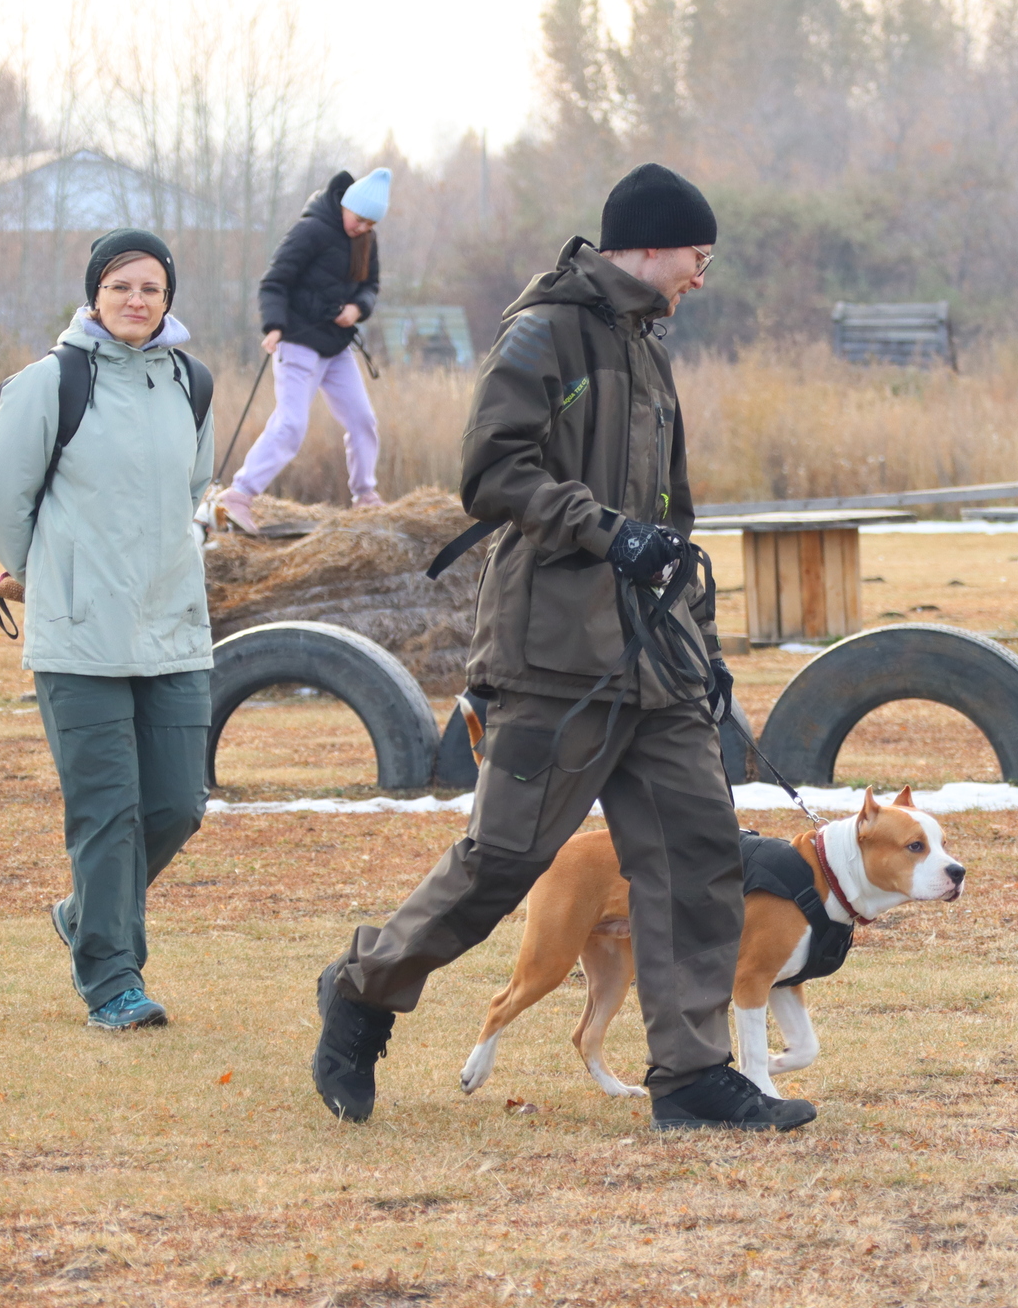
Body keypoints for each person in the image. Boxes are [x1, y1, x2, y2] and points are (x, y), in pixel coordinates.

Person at [308, 165, 819, 1131]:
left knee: (698, 855)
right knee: (502, 861)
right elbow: (491, 471)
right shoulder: (546, 331)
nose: (700, 278)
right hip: (554, 655)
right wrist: (603, 529)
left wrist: (697, 643)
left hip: (654, 661)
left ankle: (693, 1077)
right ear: (652, 244)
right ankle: (363, 988)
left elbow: (673, 517)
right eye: (697, 258)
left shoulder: (650, 350)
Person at [0, 229, 215, 1031]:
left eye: (151, 287)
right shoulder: (50, 382)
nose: (137, 300)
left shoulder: (192, 382)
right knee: (108, 812)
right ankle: (114, 980)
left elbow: (193, 488)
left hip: (172, 624)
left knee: (179, 803)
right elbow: (3, 502)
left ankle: (86, 911)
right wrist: (50, 576)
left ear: (168, 298)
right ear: (94, 295)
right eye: (121, 286)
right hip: (78, 634)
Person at [214, 168, 390, 533]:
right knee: (291, 423)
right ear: (346, 206)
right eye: (359, 219)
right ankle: (238, 496)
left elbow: (370, 285)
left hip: (337, 347)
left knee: (362, 420)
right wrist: (274, 326)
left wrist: (358, 309)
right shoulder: (311, 230)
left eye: (370, 223)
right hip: (297, 341)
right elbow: (274, 281)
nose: (362, 228)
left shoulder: (366, 239)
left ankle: (365, 497)